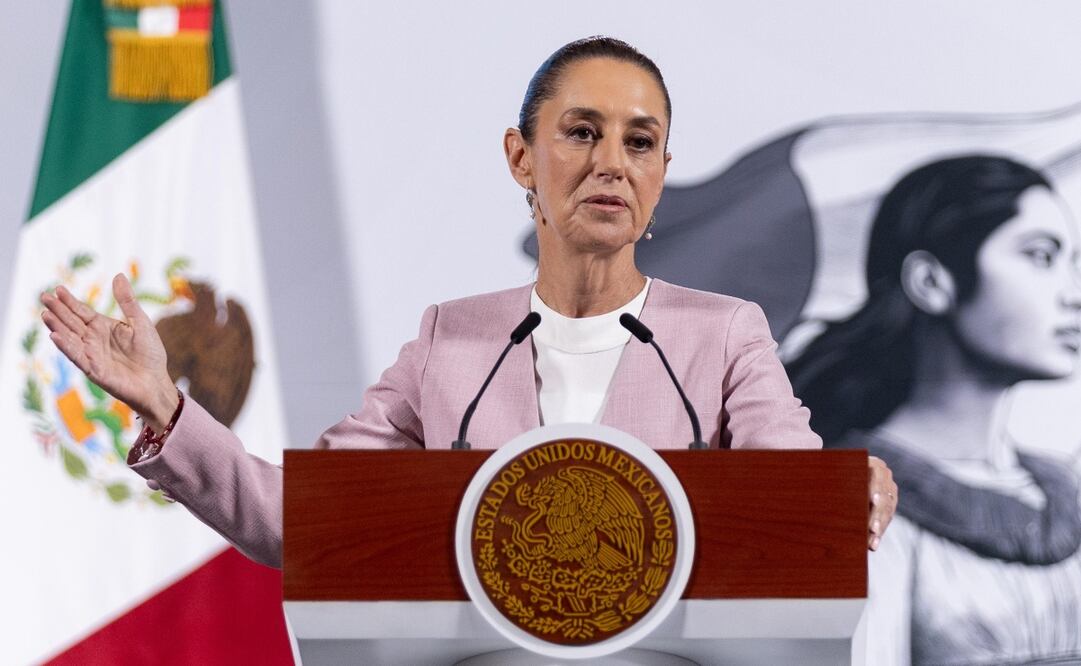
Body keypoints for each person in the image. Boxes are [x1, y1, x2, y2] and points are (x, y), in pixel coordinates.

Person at [39, 37, 897, 569]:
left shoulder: (722, 336)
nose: (612, 162)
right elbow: (302, 524)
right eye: (581, 132)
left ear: (661, 176)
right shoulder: (453, 342)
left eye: (640, 142)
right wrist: (164, 404)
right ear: (521, 158)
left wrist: (845, 494)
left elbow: (791, 498)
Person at [786, 155, 1081, 665]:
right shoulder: (851, 501)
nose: (1074, 294)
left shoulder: (1064, 486)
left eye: (1075, 262)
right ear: (931, 281)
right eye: (1040, 256)